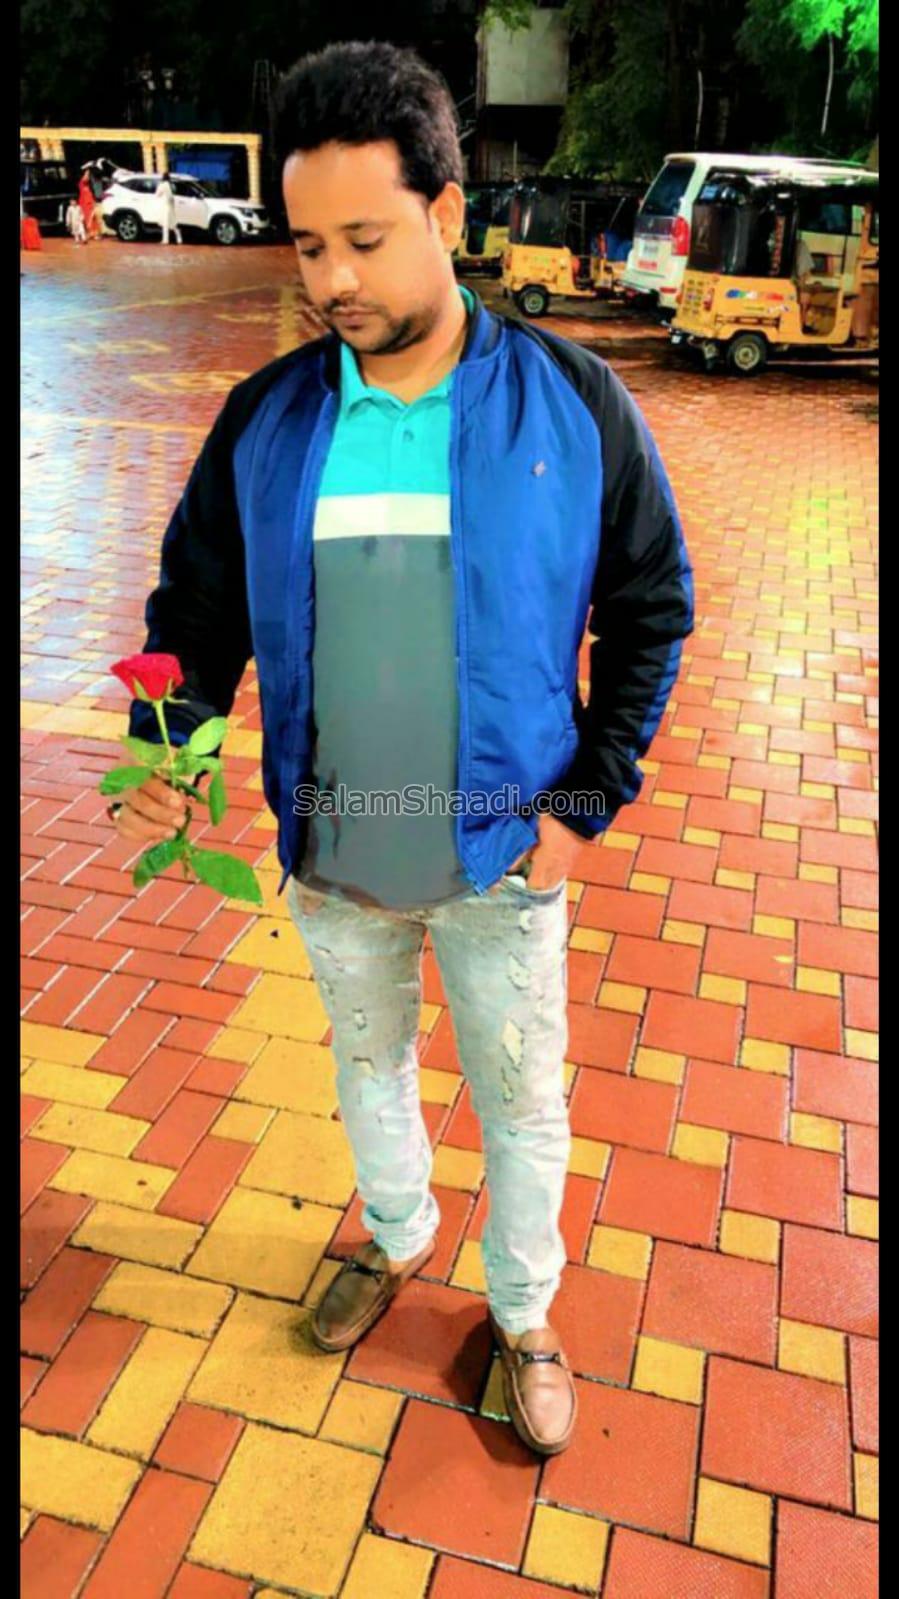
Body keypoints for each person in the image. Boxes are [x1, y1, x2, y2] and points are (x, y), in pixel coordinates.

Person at [110, 40, 693, 1458]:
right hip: (334, 848)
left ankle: (526, 1310)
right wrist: (168, 746)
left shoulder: (567, 405)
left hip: (501, 855)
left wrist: (582, 801)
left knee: (519, 1096)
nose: (331, 280)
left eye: (363, 241)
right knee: (367, 1063)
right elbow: (194, 608)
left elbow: (649, 602)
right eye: (308, 245)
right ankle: (394, 1228)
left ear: (445, 211)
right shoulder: (269, 421)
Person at [156, 171, 182, 245]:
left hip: (165, 205)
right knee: (172, 222)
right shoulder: (171, 184)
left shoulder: (162, 185)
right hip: (171, 205)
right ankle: (178, 238)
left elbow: (157, 194)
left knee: (166, 223)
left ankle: (165, 240)